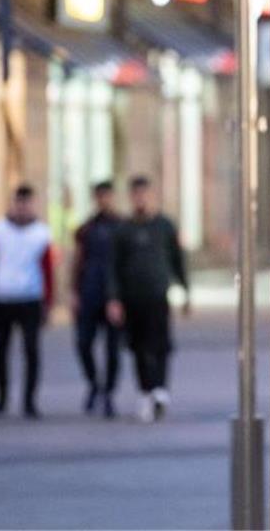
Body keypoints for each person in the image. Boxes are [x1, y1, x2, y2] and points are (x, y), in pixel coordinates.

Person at [107, 176, 191, 422]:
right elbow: (113, 267)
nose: (140, 199)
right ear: (131, 197)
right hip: (132, 298)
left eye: (144, 194)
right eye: (136, 194)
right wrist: (114, 298)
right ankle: (145, 391)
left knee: (161, 344)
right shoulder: (123, 230)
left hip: (157, 295)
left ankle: (160, 389)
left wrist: (185, 290)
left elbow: (178, 260)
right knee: (138, 347)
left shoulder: (164, 226)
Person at [0, 184, 55, 418]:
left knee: (31, 350)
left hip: (30, 298)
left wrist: (48, 301)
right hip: (1, 297)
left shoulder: (41, 233)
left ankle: (29, 400)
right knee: (1, 350)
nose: (22, 207)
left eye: (26, 203)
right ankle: (2, 397)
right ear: (13, 203)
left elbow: (47, 269)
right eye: (19, 203)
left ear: (32, 204)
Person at [71, 180, 123, 418]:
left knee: (113, 349)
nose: (104, 200)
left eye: (107, 196)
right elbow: (77, 262)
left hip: (113, 297)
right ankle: (94, 383)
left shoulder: (122, 227)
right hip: (89, 294)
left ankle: (109, 393)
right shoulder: (86, 229)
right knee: (83, 343)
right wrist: (74, 292)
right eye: (100, 196)